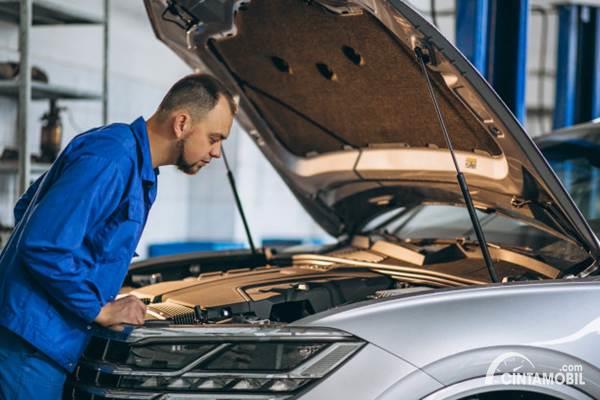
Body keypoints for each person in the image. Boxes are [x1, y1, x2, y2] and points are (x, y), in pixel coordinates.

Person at [0, 73, 236, 399]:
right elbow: (42, 245)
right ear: (181, 123)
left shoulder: (138, 168)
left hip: (49, 338)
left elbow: (28, 207)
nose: (216, 152)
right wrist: (100, 309)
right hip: (30, 342)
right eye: (214, 138)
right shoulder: (112, 158)